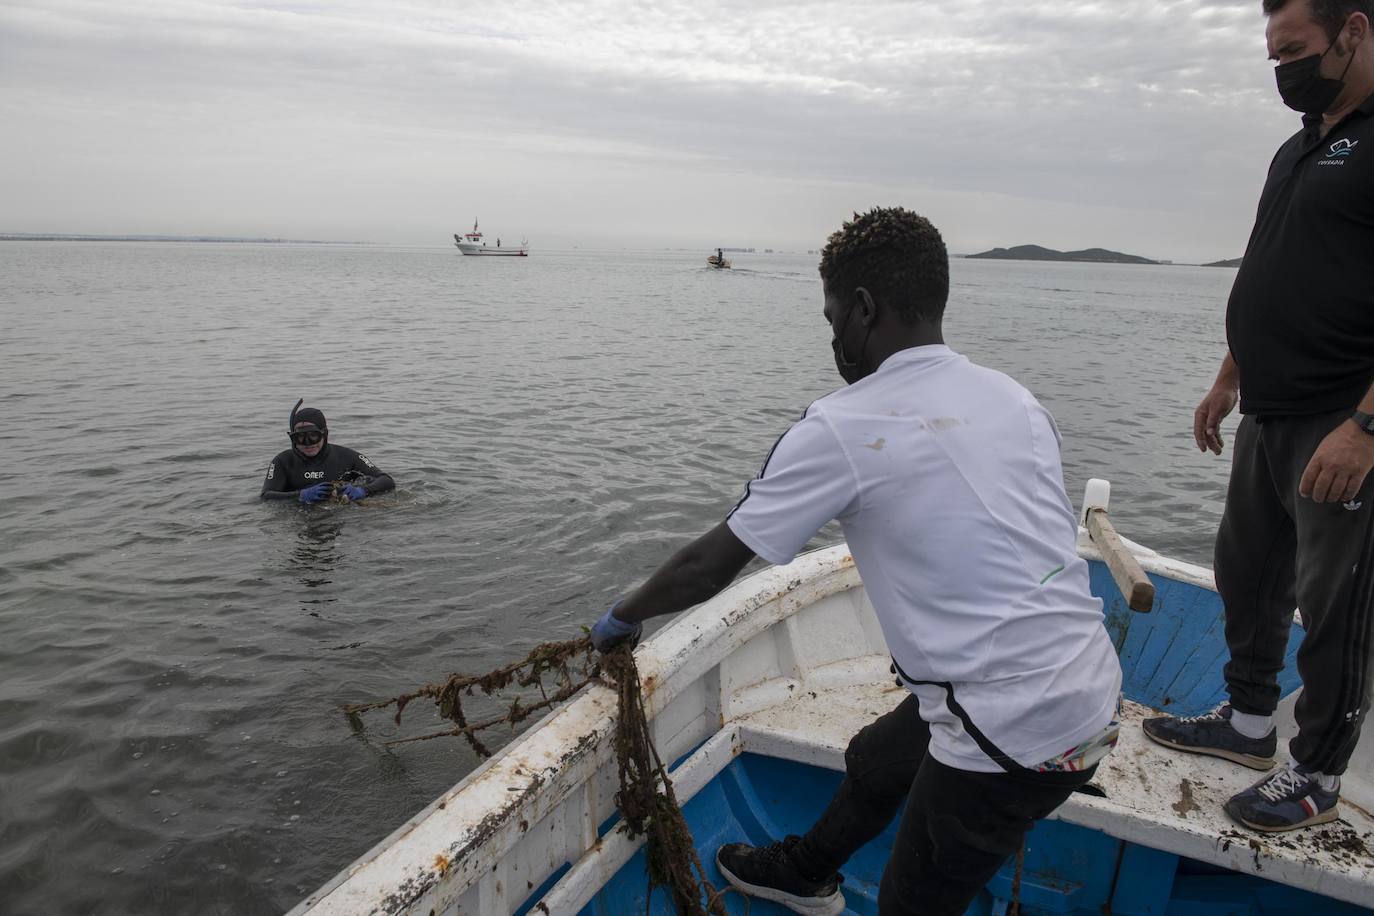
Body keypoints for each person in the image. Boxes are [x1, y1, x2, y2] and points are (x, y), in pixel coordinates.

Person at [589, 207, 1122, 916]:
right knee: (878, 760)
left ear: (864, 310)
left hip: (1011, 727)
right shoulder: (1013, 399)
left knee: (913, 903)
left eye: (833, 315)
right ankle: (807, 873)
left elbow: (708, 566)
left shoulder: (844, 424)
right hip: (1086, 683)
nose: (833, 333)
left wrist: (620, 617)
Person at [1142, 0, 1374, 834]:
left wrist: (1366, 428)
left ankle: (1314, 774)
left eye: (1295, 51)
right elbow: (1271, 266)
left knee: (1336, 602)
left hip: (1343, 416)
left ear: (1354, 29)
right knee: (1249, 573)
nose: (1283, 72)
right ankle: (1246, 727)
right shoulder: (1299, 146)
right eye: (1272, 57)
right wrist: (1226, 378)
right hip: (1268, 410)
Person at [261, 400, 395, 503]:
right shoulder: (282, 461)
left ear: (324, 434)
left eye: (313, 436)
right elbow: (266, 496)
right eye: (300, 438)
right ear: (292, 438)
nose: (307, 444)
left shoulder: (346, 456)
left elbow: (387, 480)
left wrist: (364, 490)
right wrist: (299, 495)